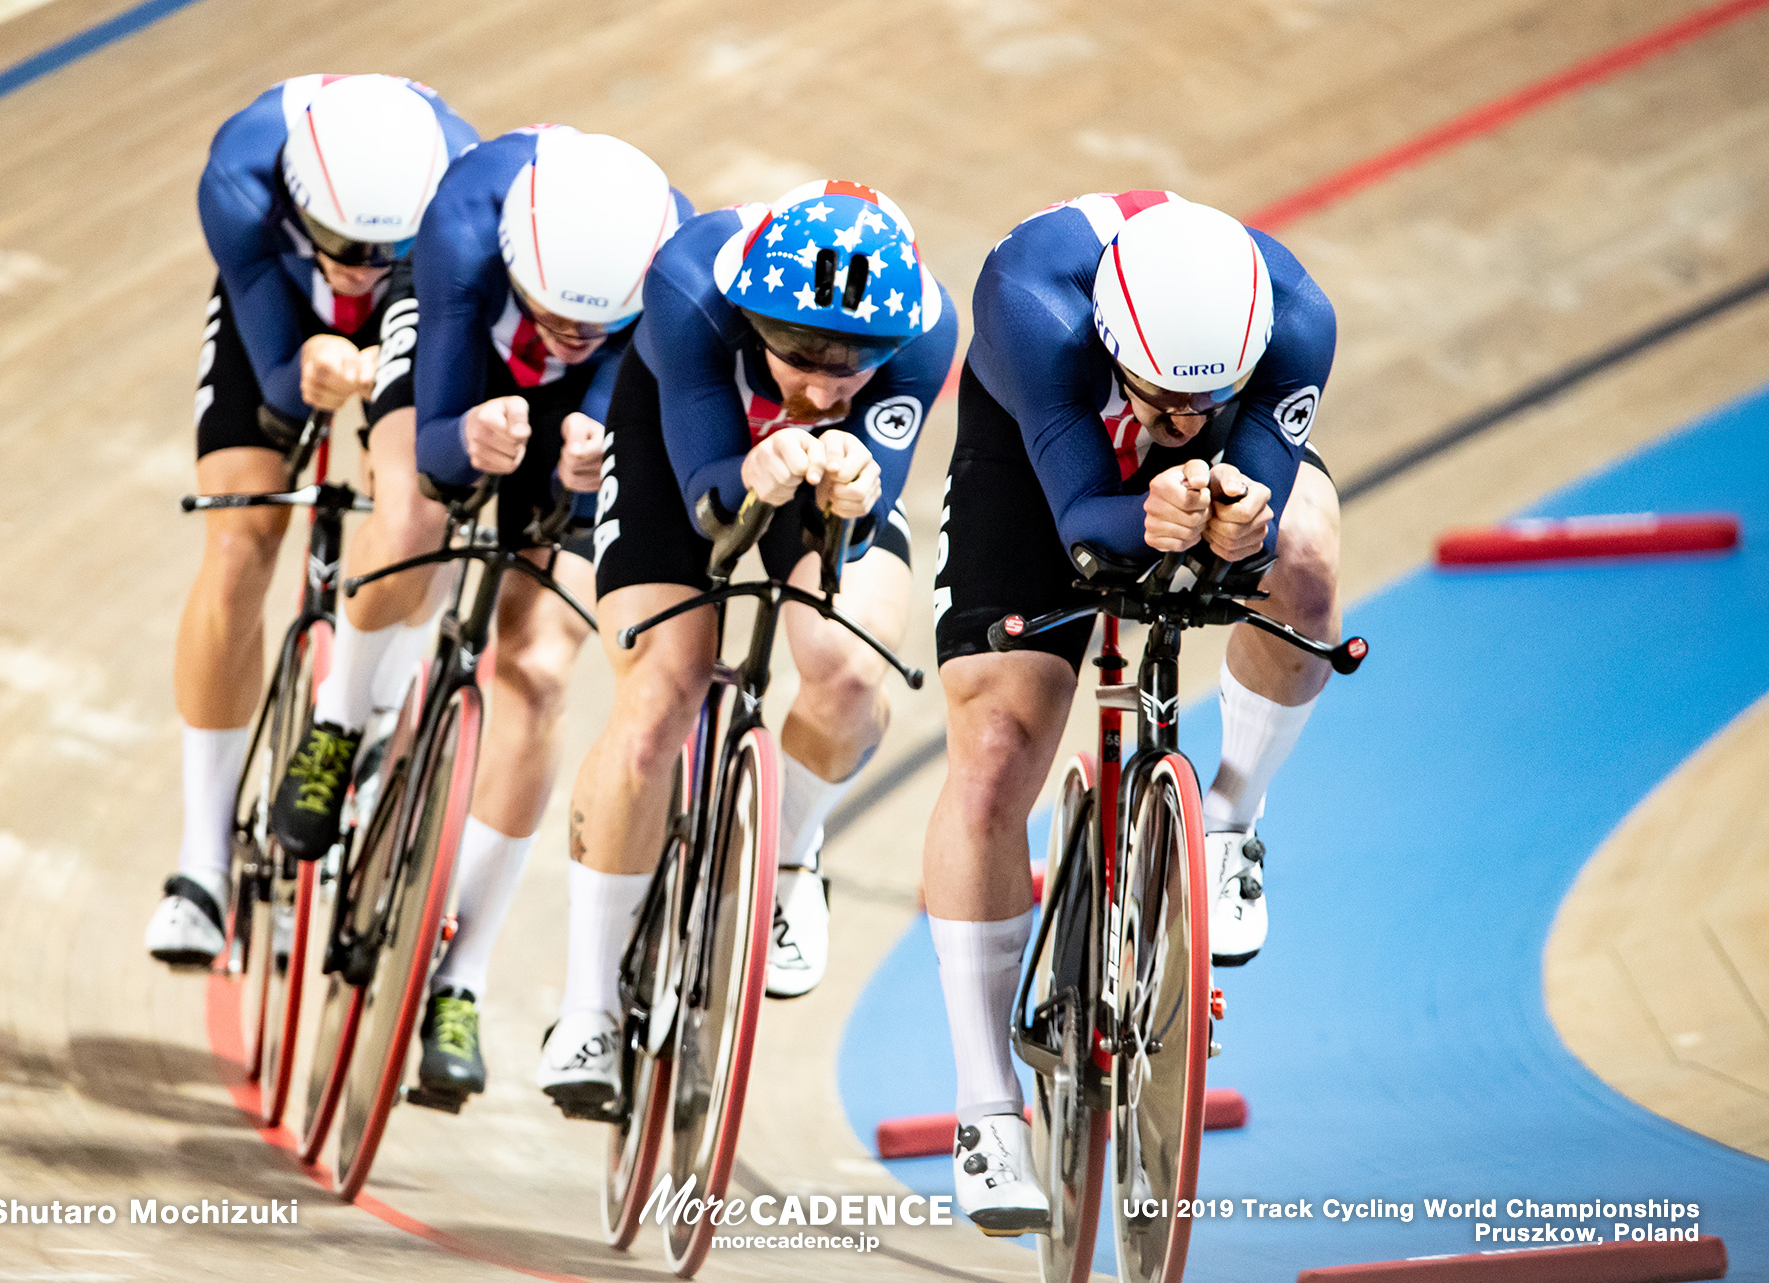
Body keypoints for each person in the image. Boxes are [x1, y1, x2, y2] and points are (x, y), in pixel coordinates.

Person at [927, 190, 1339, 1232]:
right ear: (1115, 345)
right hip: (1039, 461)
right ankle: (984, 1108)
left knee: (1306, 560)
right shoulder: (1033, 305)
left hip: (1182, 455)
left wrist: (1243, 514)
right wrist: (1147, 502)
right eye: (1166, 401)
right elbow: (1081, 520)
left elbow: (1257, 482)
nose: (1188, 425)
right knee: (995, 746)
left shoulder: (1297, 319)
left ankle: (1231, 823)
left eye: (1212, 400)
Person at [267, 124, 691, 1111]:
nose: (572, 331)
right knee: (414, 513)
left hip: (598, 403)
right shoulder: (461, 230)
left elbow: (610, 414)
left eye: (594, 320)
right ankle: (337, 728)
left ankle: (461, 978)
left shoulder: (659, 283)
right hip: (463, 366)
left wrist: (577, 458)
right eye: (557, 314)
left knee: (541, 667)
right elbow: (435, 455)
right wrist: (471, 437)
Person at [539, 180, 958, 1115]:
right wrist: (751, 470)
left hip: (815, 489)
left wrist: (850, 486)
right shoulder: (692, 286)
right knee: (660, 696)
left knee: (849, 673)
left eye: (853, 366)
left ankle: (792, 854)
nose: (820, 385)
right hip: (674, 458)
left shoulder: (927, 330)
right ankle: (587, 1006)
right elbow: (706, 499)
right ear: (750, 316)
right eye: (800, 354)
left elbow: (866, 513)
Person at [144, 74, 477, 969]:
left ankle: (369, 727)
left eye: (379, 253)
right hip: (283, 301)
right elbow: (280, 370)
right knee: (242, 534)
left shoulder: (460, 198)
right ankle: (202, 862)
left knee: (426, 509)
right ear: (299, 202)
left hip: (431, 292)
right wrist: (311, 371)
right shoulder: (240, 180)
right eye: (342, 247)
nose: (358, 271)